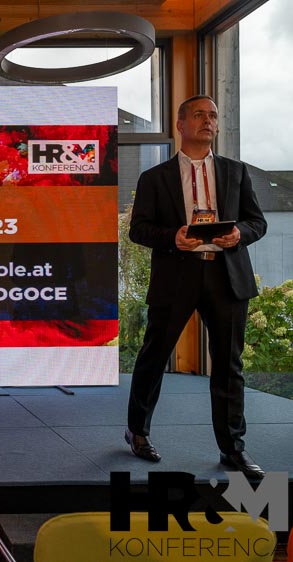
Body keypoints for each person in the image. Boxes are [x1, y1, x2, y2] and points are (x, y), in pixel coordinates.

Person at [124, 95, 267, 479]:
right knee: (154, 356)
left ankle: (233, 449)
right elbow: (139, 230)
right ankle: (137, 432)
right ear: (180, 124)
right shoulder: (155, 178)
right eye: (200, 115)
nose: (208, 121)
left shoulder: (236, 172)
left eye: (213, 116)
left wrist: (238, 234)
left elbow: (257, 222)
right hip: (177, 276)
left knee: (229, 366)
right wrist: (173, 237)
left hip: (227, 277)